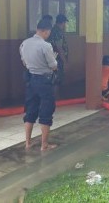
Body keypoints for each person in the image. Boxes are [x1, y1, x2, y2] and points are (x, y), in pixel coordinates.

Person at [20, 19, 58, 151]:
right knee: (46, 111)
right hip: (45, 81)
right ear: (46, 31)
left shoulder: (24, 44)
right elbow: (53, 66)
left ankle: (28, 143)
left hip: (31, 81)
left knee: (30, 111)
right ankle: (44, 145)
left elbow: (24, 63)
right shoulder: (46, 46)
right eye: (48, 32)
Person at [47, 14, 68, 97]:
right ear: (62, 22)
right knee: (57, 77)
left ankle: (55, 96)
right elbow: (58, 47)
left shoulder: (53, 30)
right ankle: (56, 97)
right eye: (65, 23)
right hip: (57, 58)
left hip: (53, 57)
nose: (65, 25)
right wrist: (64, 59)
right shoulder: (57, 31)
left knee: (54, 76)